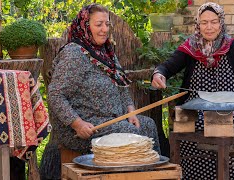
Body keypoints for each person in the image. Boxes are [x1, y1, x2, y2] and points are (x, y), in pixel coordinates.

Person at [40, 3, 160, 179]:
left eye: (107, 24)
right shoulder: (74, 53)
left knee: (147, 125)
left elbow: (121, 82)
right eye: (99, 24)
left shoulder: (106, 51)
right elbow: (56, 94)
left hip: (110, 119)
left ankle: (155, 175)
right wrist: (77, 123)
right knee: (130, 134)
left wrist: (130, 110)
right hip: (84, 126)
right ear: (85, 26)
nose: (104, 29)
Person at [151, 2, 234, 180]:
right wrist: (159, 73)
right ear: (198, 24)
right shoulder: (191, 47)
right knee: (194, 139)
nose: (209, 27)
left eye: (213, 22)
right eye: (204, 22)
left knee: (226, 138)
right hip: (196, 113)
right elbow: (168, 66)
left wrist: (233, 102)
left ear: (221, 23)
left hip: (228, 110)